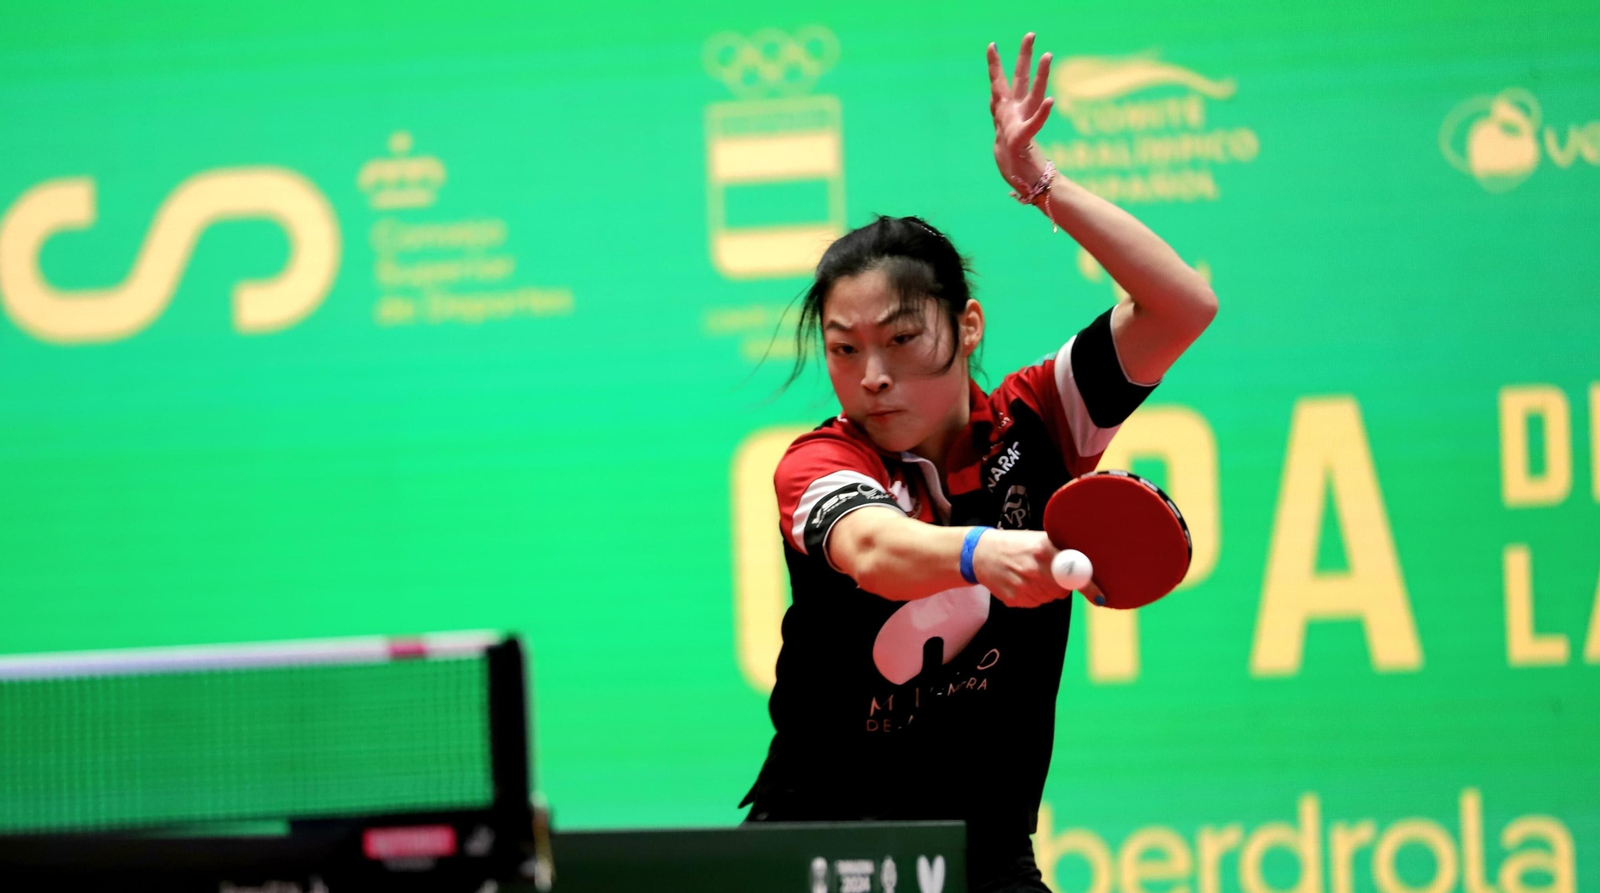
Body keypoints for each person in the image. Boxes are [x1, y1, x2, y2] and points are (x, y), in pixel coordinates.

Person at [740, 33, 1218, 893]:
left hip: (983, 849)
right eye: (844, 350)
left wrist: (1040, 184)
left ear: (967, 327)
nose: (871, 374)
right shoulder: (821, 459)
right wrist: (978, 554)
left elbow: (1181, 306)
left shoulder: (1038, 422)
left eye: (899, 337)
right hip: (815, 845)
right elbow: (873, 549)